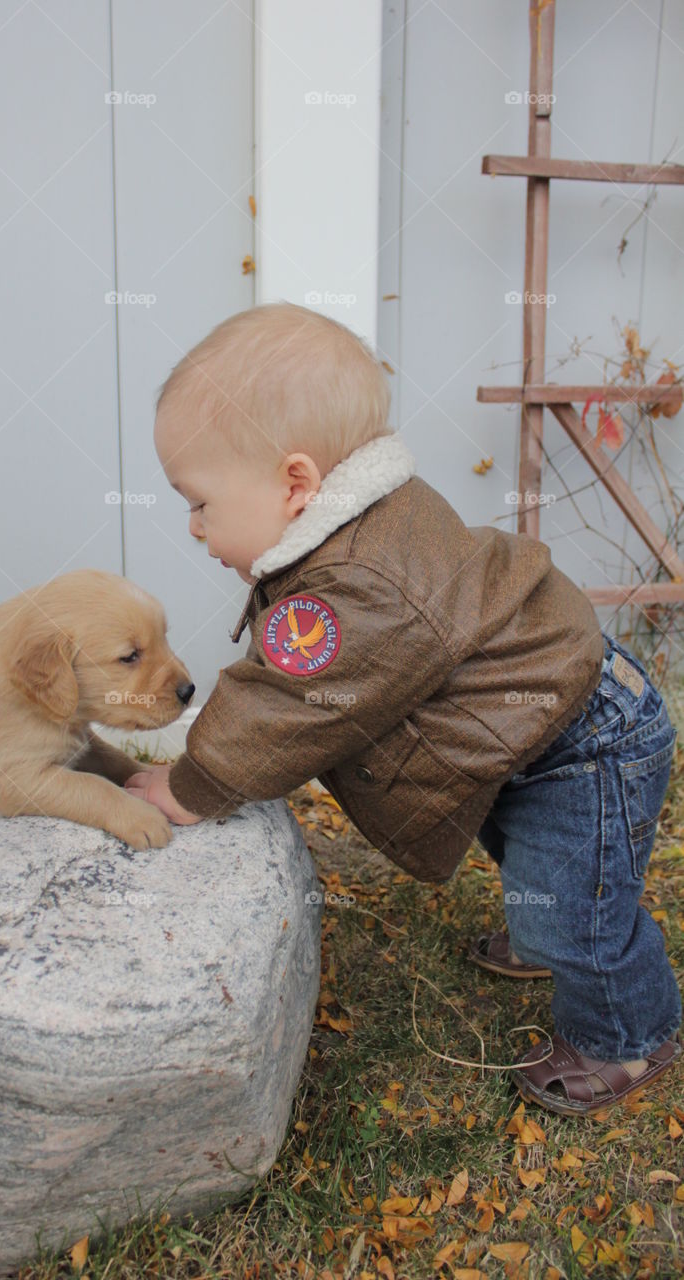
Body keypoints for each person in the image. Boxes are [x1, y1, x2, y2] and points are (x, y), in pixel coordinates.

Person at [125, 301, 681, 1115]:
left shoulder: (358, 583)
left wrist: (195, 782)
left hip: (583, 739)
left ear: (294, 484)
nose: (193, 526)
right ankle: (546, 926)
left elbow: (290, 698)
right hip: (532, 722)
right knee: (530, 853)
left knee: (580, 912)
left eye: (201, 501)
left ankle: (627, 1036)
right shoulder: (342, 535)